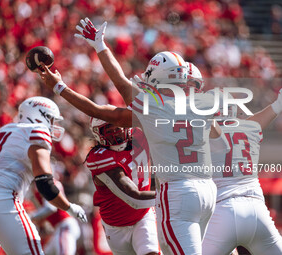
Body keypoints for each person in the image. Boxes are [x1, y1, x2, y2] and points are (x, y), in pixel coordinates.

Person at [37, 17, 230, 254]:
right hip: (208, 189)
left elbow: (112, 92)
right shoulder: (202, 104)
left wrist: (64, 83)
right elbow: (221, 145)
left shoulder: (152, 111)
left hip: (178, 192)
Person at [0, 96, 87, 255]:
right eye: (50, 119)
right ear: (39, 115)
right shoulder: (36, 131)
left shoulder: (5, 130)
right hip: (3, 201)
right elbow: (45, 184)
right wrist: (69, 207)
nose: (52, 126)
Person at [202, 89, 282, 255]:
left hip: (221, 209)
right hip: (256, 209)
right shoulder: (250, 128)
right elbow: (256, 121)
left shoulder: (199, 132)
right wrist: (277, 104)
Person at [85, 117, 159, 255]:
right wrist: (172, 195)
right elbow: (134, 199)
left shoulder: (140, 134)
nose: (115, 131)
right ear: (98, 134)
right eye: (108, 129)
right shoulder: (101, 157)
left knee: (151, 252)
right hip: (116, 226)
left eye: (117, 126)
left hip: (144, 215)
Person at [29, 180, 81, 255]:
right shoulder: (43, 183)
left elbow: (50, 208)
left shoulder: (45, 183)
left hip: (64, 226)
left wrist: (30, 217)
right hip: (59, 228)